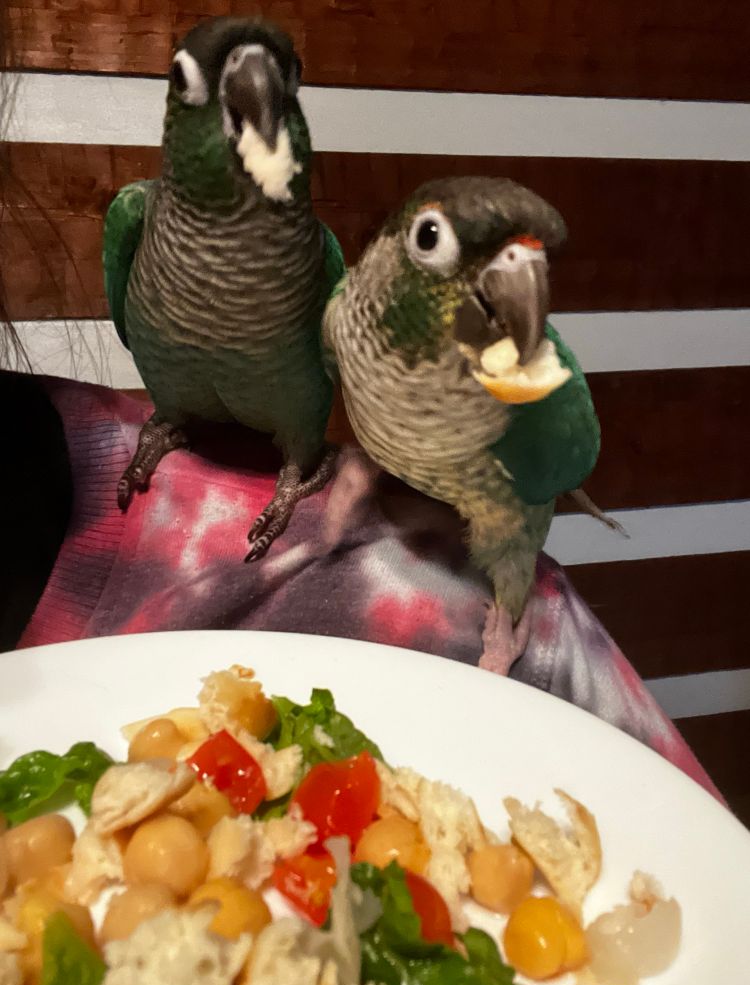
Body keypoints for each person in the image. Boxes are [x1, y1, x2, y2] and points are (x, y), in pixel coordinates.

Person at [0, 12, 719, 803]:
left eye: (283, 82)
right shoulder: (145, 228)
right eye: (192, 82)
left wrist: (312, 470)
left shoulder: (493, 616)